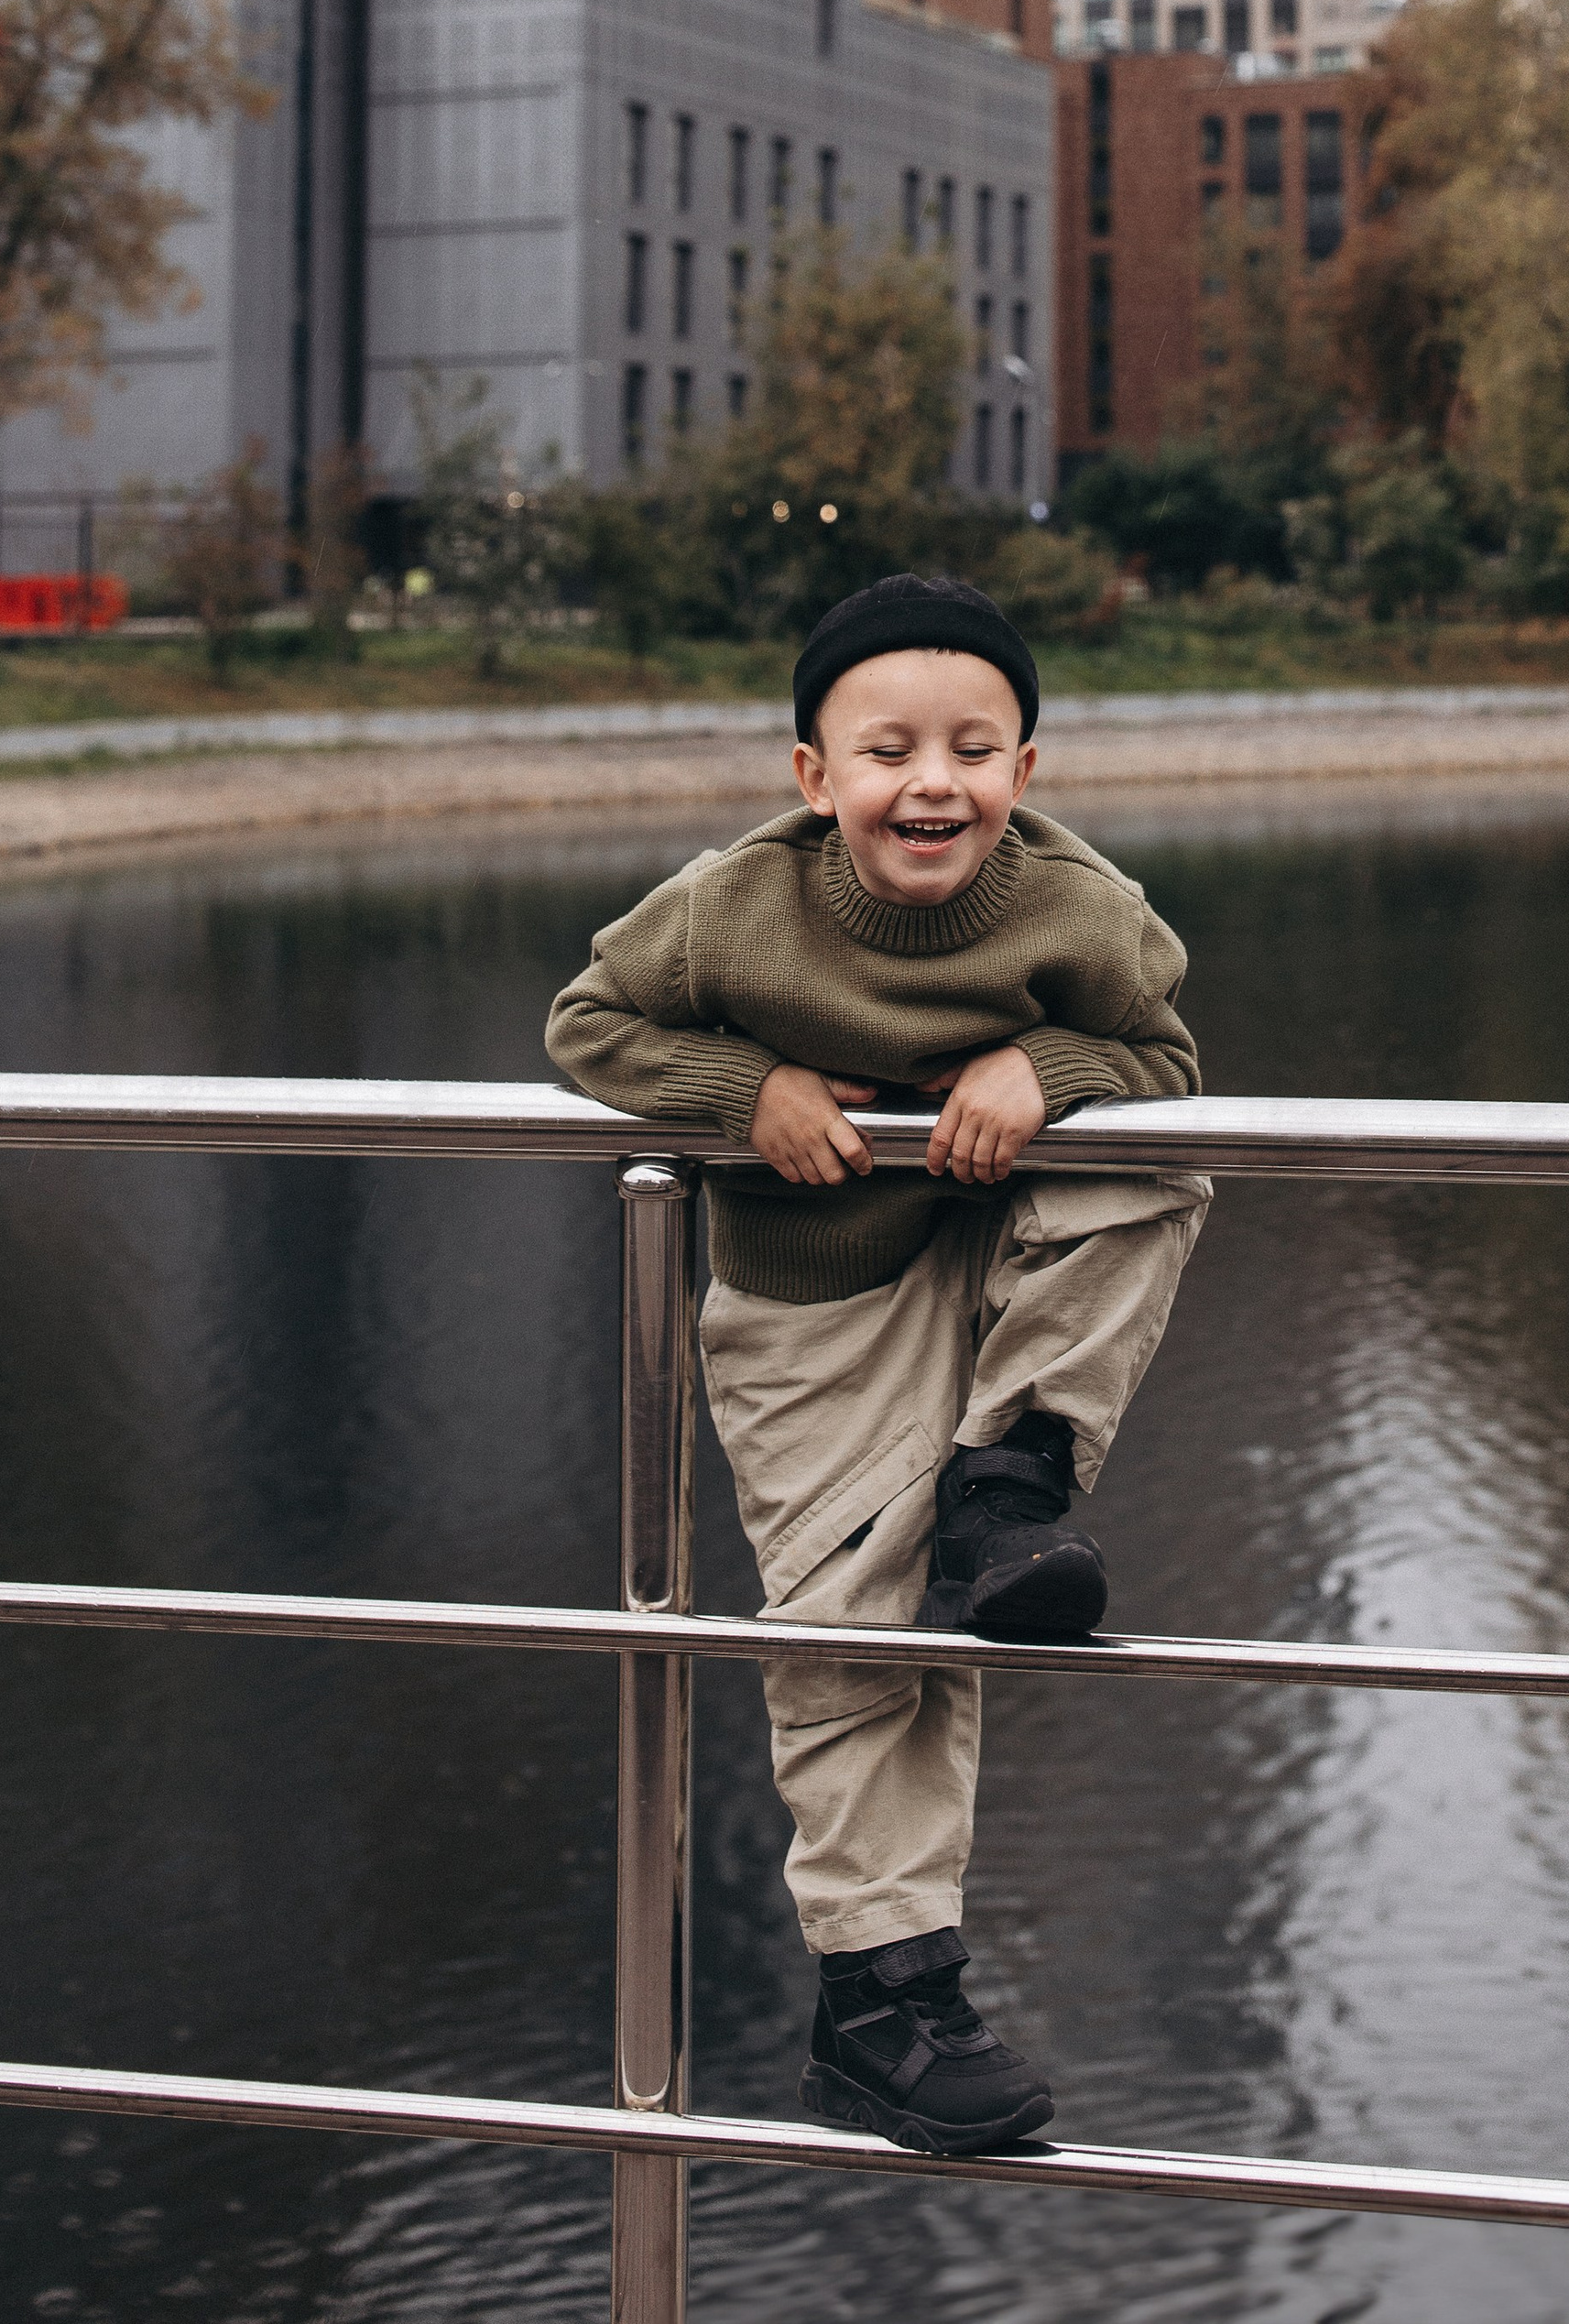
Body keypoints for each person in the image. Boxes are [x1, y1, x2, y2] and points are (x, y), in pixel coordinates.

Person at [545, 572, 1207, 2155]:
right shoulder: (734, 903)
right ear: (814, 773)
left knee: (1155, 1161)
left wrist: (1045, 1064)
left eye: (974, 750)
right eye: (889, 750)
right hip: (813, 1298)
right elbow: (587, 1022)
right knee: (851, 1629)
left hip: (1001, 1258)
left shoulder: (1086, 908)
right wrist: (746, 1090)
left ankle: (1009, 1490)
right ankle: (881, 2000)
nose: (934, 783)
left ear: (1025, 770)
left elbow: (1168, 1063)